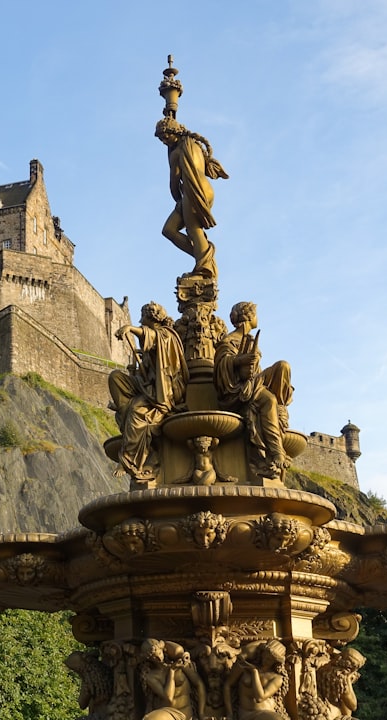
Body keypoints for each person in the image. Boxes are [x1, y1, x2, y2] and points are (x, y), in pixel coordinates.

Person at [108, 302, 188, 483]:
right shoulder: (150, 340)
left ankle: (129, 460)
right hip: (147, 386)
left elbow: (153, 337)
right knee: (116, 378)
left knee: (137, 412)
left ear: (151, 317)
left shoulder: (167, 335)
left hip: (164, 392)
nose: (139, 321)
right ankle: (124, 408)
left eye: (142, 318)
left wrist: (131, 328)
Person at [214, 302, 293, 481]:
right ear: (249, 316)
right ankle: (276, 452)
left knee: (283, 366)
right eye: (255, 314)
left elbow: (255, 372)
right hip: (237, 391)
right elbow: (221, 367)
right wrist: (239, 361)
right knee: (268, 400)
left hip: (253, 383)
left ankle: (279, 409)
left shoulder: (249, 340)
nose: (257, 317)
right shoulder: (229, 340)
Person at [156, 116, 228, 279]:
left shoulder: (177, 152)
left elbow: (174, 182)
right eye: (161, 139)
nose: (164, 141)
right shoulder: (194, 144)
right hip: (207, 190)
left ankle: (205, 267)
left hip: (193, 190)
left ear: (173, 131)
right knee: (169, 230)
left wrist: (177, 200)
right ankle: (203, 257)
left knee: (193, 230)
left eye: (165, 137)